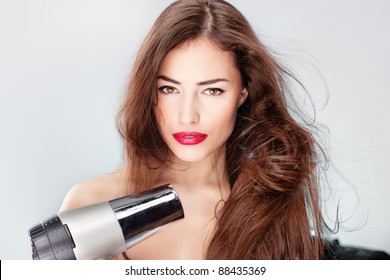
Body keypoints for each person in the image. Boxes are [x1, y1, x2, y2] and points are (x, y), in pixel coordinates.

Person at [60, 0, 328, 260]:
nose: (188, 116)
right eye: (169, 89)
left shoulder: (268, 203)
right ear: (149, 93)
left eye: (212, 90)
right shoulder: (92, 203)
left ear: (243, 93)